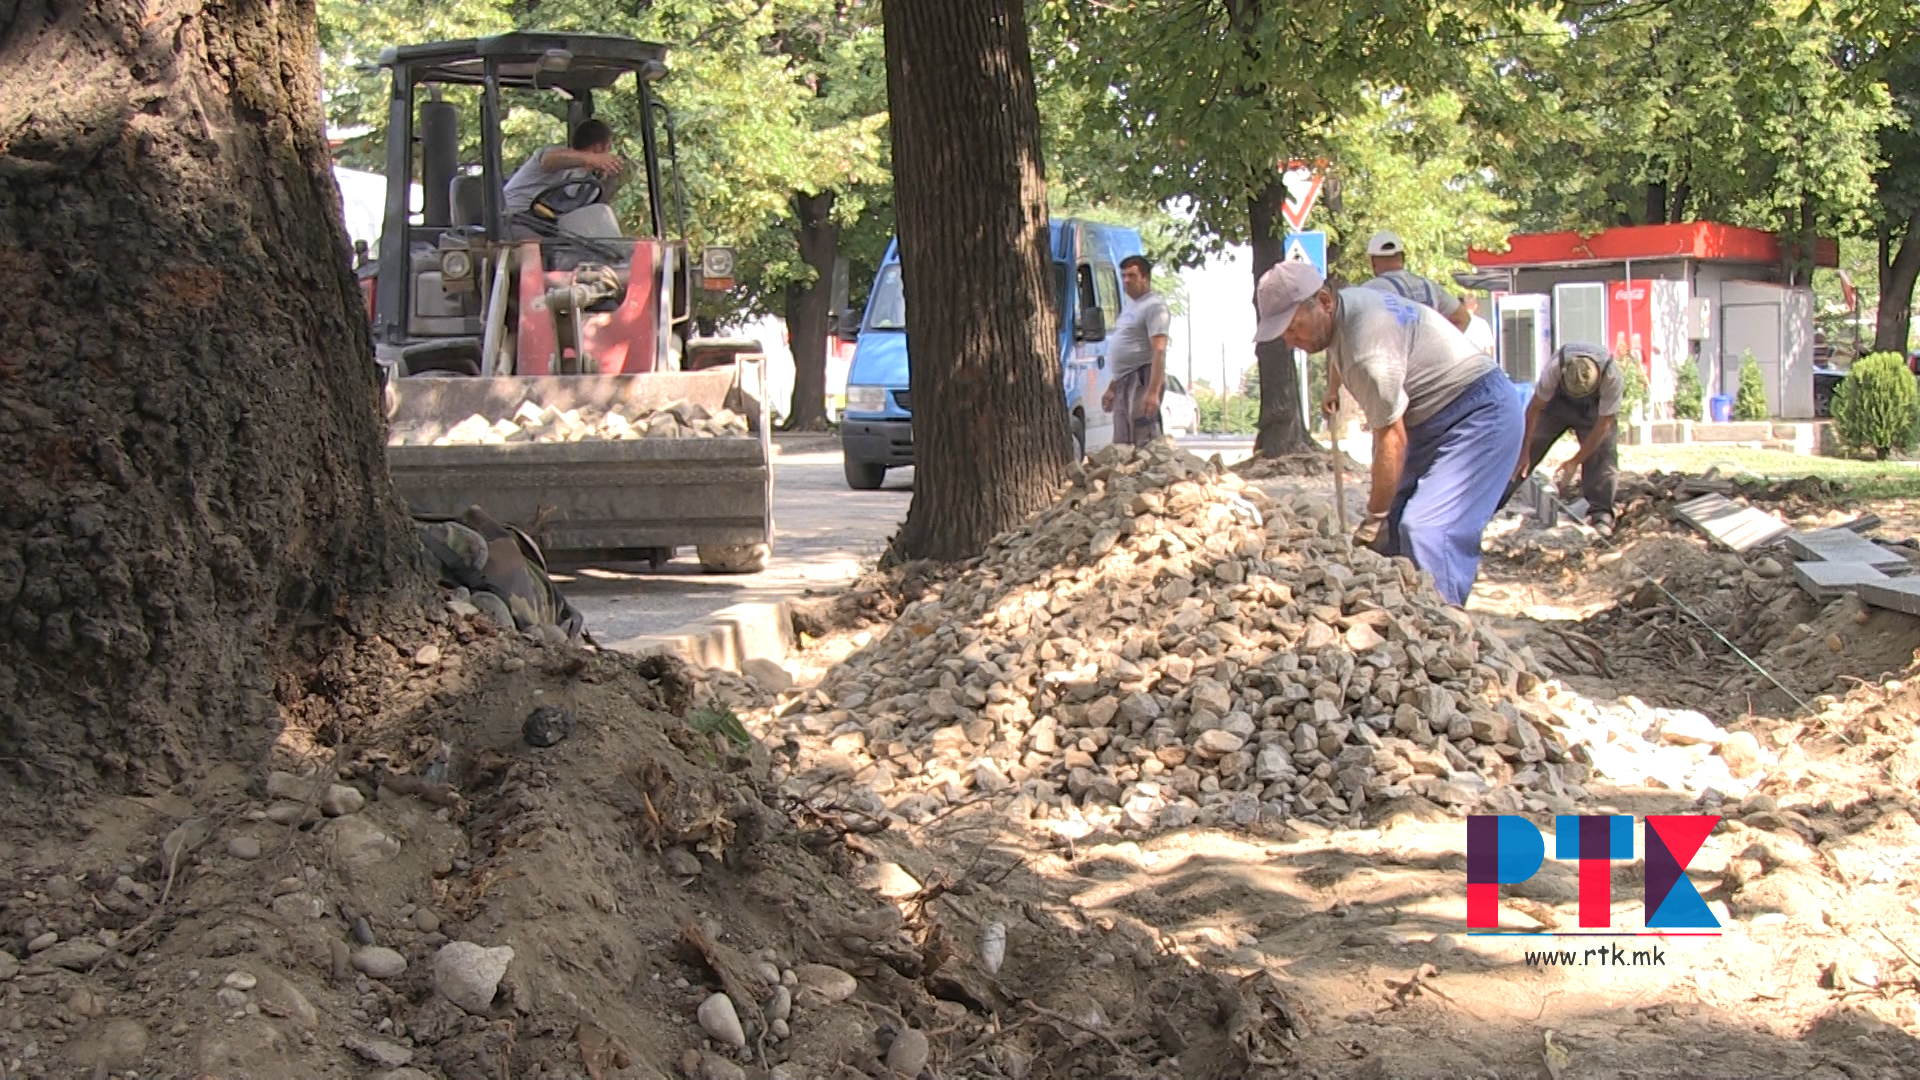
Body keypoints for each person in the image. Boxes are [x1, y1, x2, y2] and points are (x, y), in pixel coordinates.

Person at [1254, 261, 1523, 607]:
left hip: (1480, 415)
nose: (1291, 341)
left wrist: (1374, 519)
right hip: (1434, 420)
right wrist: (1382, 521)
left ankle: (1445, 636)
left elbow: (1391, 440)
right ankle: (1403, 625)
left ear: (1322, 301)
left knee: (1426, 529)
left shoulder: (1368, 349)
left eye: (1294, 328)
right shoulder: (1346, 311)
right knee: (1395, 532)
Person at [1502, 342, 1621, 537]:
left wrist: (1575, 461)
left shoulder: (1612, 377)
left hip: (1594, 410)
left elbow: (1603, 426)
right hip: (1557, 405)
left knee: (1602, 453)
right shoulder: (1556, 367)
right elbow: (1534, 410)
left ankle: (1601, 515)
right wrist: (1524, 451)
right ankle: (1491, 503)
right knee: (1523, 453)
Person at [1101, 255, 1172, 446]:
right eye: (1123, 276)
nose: (1126, 281)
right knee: (1123, 443)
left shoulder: (1154, 306)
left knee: (1144, 439)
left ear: (1145, 278)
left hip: (1142, 378)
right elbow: (1126, 351)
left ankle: (1152, 476)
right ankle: (1127, 475)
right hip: (1124, 380)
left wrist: (1153, 391)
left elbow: (1159, 350)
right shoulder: (1131, 307)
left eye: (1132, 276)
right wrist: (1112, 388)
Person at [502, 119, 624, 219]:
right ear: (598, 148)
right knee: (532, 245)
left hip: (548, 226)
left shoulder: (588, 183)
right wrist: (591, 158)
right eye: (608, 148)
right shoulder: (553, 155)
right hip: (513, 217)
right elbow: (549, 161)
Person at [1363, 231, 1473, 332]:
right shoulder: (1429, 286)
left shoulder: (1368, 291)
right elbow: (1463, 318)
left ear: (1372, 261)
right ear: (1403, 257)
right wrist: (1443, 347)